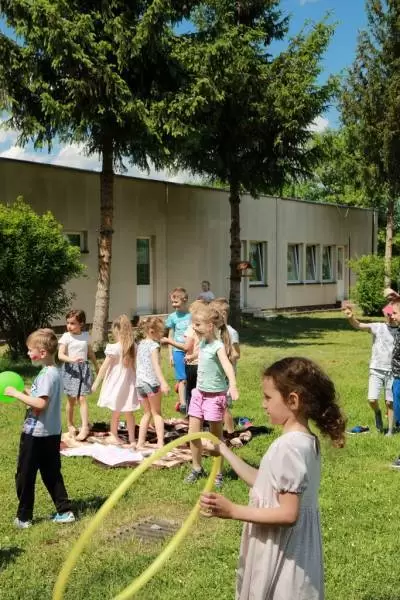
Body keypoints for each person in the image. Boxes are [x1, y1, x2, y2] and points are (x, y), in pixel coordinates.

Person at [200, 357, 346, 600]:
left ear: (293, 401)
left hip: (282, 552)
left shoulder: (288, 447)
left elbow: (288, 514)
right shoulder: (306, 440)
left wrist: (233, 510)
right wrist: (224, 450)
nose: (263, 404)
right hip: (297, 549)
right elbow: (265, 482)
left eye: (268, 397)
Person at [5, 328, 75, 528]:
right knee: (52, 473)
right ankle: (64, 511)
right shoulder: (54, 371)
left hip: (36, 434)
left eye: (30, 350)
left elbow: (40, 404)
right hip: (51, 433)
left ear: (42, 353)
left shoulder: (46, 375)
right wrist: (27, 391)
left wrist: (16, 394)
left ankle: (24, 517)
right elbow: (41, 397)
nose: (28, 353)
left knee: (25, 475)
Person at [185, 304, 239, 487]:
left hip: (214, 397)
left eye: (197, 324)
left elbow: (227, 366)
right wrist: (192, 357)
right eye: (193, 324)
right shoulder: (203, 343)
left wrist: (233, 385)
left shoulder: (218, 346)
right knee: (193, 433)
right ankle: (197, 468)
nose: (194, 327)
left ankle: (218, 473)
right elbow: (201, 353)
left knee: (216, 438)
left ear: (209, 326)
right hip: (199, 394)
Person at [343, 304, 396, 435]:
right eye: (388, 314)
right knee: (372, 399)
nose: (390, 317)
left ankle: (390, 430)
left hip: (392, 371)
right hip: (376, 369)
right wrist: (351, 317)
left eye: (392, 314)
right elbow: (358, 325)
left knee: (390, 402)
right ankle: (377, 413)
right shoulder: (378, 327)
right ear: (384, 314)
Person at [92, 315, 139, 447]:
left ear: (117, 329)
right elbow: (136, 366)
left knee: (116, 412)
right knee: (129, 412)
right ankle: (132, 440)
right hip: (130, 383)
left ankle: (114, 435)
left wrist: (96, 383)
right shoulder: (134, 346)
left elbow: (104, 367)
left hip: (117, 383)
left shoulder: (114, 347)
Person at [58, 309, 98, 441]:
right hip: (71, 370)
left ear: (81, 323)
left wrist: (96, 366)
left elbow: (90, 352)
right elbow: (60, 355)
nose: (69, 326)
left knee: (82, 398)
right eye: (68, 323)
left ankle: (85, 427)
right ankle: (70, 425)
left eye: (73, 323)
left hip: (84, 369)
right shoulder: (66, 337)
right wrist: (72, 360)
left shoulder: (85, 336)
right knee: (71, 400)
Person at [161, 299, 206, 414]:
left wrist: (169, 342)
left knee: (192, 388)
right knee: (188, 382)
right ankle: (187, 406)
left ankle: (191, 412)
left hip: (192, 361)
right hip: (193, 358)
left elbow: (186, 347)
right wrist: (171, 354)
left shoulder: (193, 327)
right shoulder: (206, 328)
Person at [136, 317, 170, 449]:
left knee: (147, 413)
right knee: (157, 413)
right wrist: (163, 382)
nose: (162, 334)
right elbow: (156, 366)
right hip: (151, 384)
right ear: (151, 331)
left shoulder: (140, 344)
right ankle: (160, 442)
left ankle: (140, 442)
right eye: (160, 331)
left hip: (140, 384)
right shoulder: (154, 346)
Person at [210, 298, 240, 435]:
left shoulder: (231, 332)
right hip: (216, 373)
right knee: (218, 404)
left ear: (222, 314)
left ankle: (231, 432)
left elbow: (237, 354)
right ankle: (221, 430)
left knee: (224, 405)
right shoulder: (214, 332)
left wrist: (225, 359)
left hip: (227, 375)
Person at [165, 288, 191, 413]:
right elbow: (170, 336)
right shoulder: (172, 317)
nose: (173, 305)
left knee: (191, 377)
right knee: (182, 378)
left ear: (184, 300)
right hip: (178, 351)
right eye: (172, 302)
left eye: (176, 302)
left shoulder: (191, 316)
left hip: (190, 350)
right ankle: (183, 404)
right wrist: (170, 355)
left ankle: (191, 399)